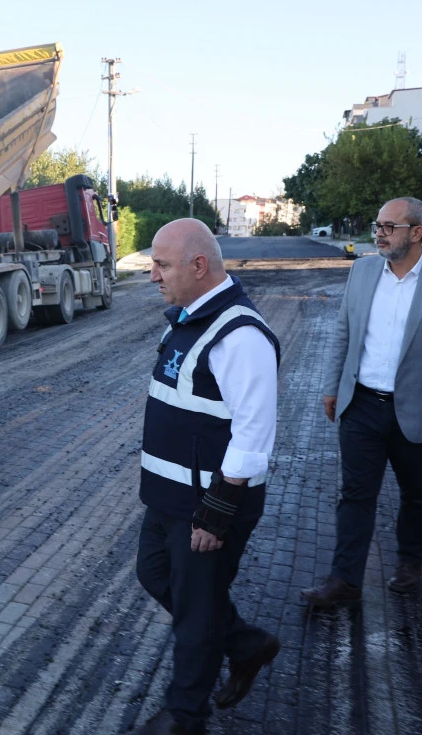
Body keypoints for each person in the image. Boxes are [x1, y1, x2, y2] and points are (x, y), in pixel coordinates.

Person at [133, 219, 281, 735]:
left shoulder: (242, 336)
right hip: (169, 497)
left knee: (196, 613)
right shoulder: (188, 319)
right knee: (155, 574)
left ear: (199, 266)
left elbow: (253, 434)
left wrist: (215, 515)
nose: (153, 275)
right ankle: (244, 643)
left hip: (206, 507)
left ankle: (184, 717)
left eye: (162, 264)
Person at [301, 198, 422, 608]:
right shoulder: (363, 270)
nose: (378, 233)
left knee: (417, 494)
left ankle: (410, 563)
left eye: (388, 226)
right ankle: (344, 580)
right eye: (377, 224)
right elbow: (343, 332)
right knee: (355, 494)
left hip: (418, 409)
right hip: (362, 404)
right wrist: (332, 387)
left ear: (416, 232)